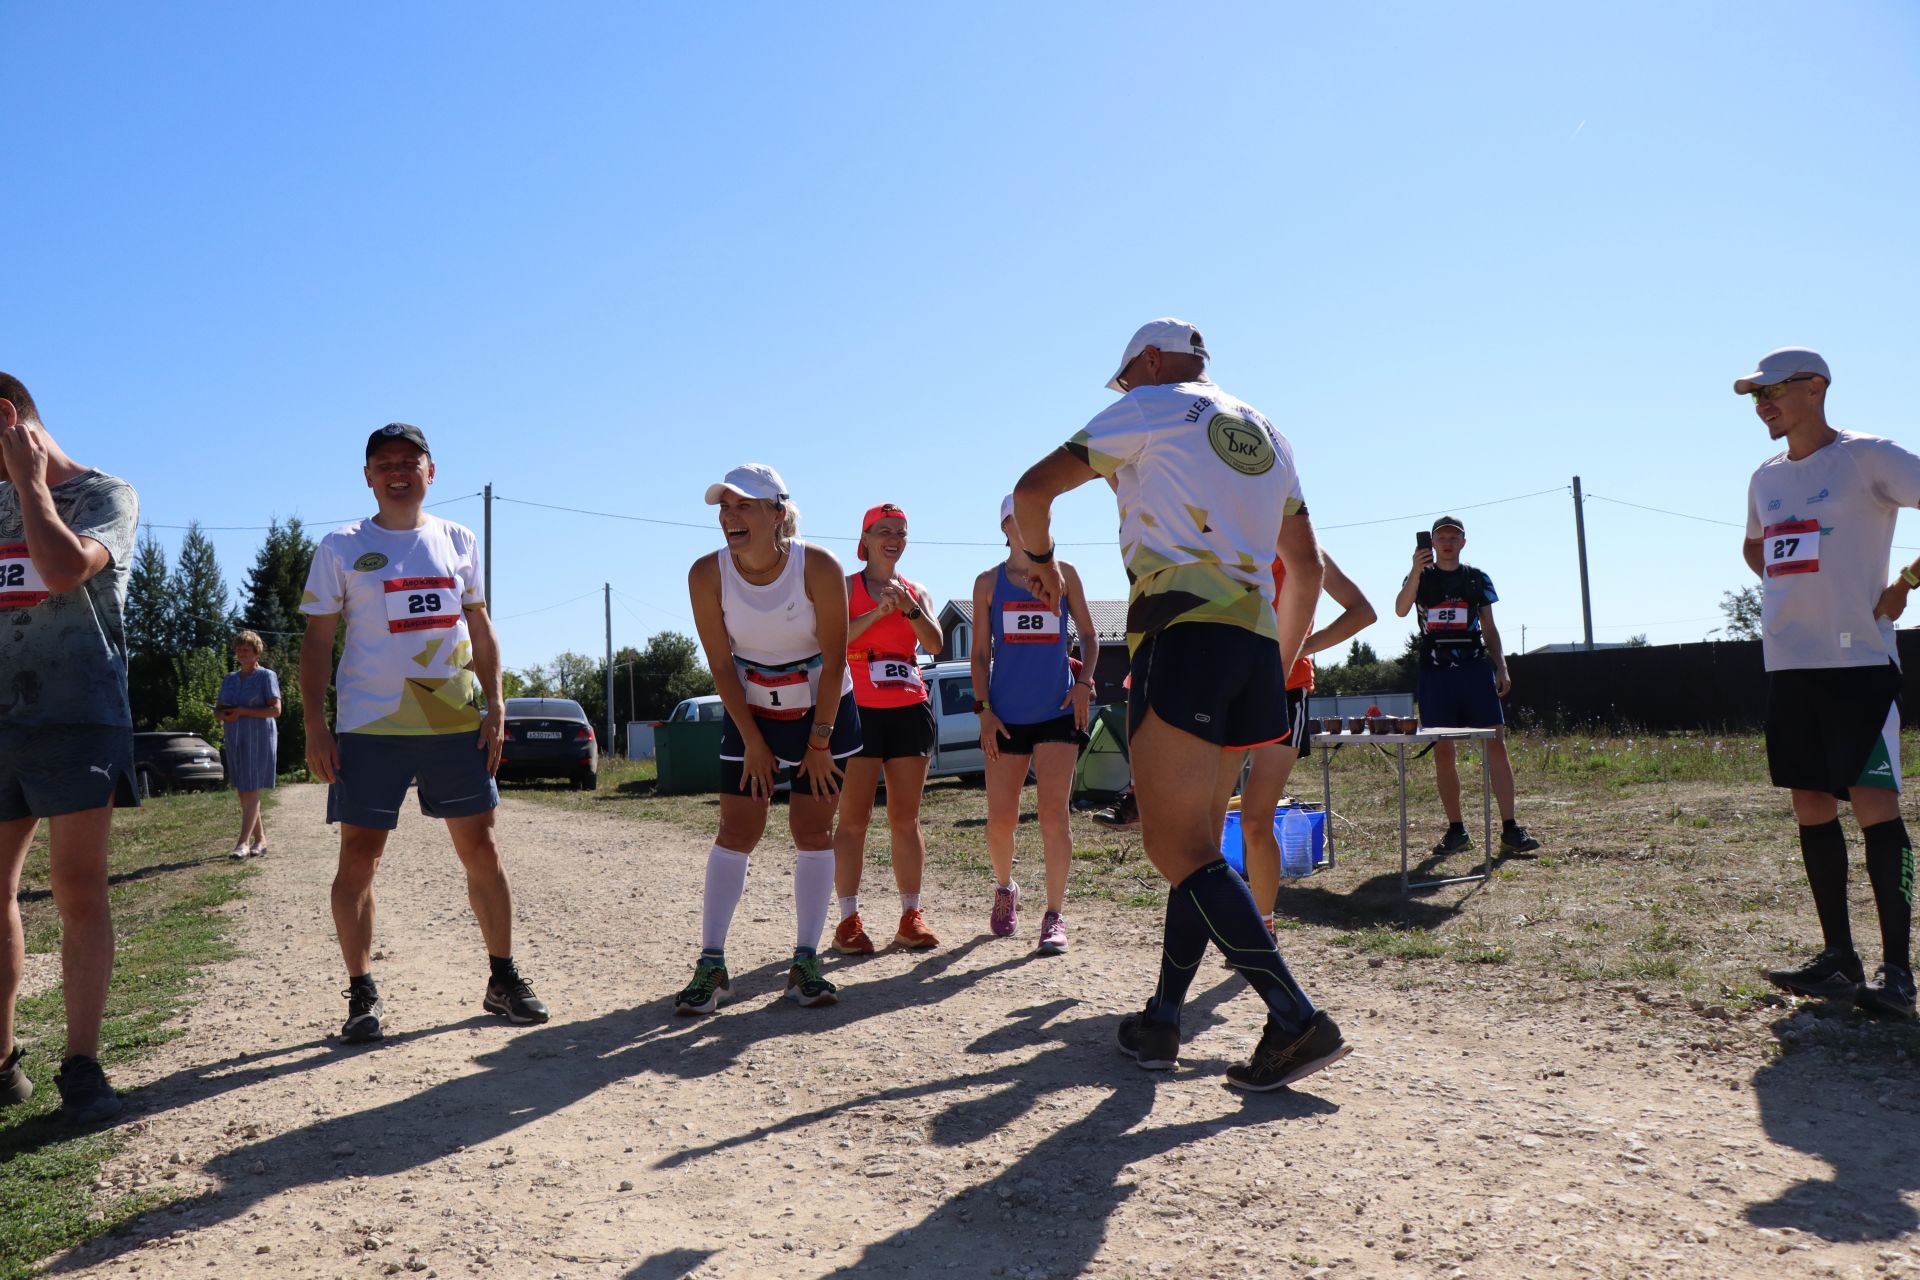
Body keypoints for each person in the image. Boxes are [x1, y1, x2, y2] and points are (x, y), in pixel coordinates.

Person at [1012, 318, 1349, 1090]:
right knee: (1195, 842)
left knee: (1177, 848)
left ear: (1154, 362)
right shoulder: (1267, 431)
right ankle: (1163, 1018)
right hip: (1253, 645)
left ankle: (1296, 1018)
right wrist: (1281, 660)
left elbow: (1033, 490)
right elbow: (1307, 565)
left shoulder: (1152, 407)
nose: (1123, 391)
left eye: (1126, 376)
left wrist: (1036, 561)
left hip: (1180, 633)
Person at [300, 422, 548, 1044]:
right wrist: (314, 725)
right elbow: (318, 641)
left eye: (410, 461)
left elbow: (481, 628)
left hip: (454, 721)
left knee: (481, 851)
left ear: (431, 472)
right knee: (359, 858)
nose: (398, 470)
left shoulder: (457, 539)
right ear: (368, 476)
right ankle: (361, 994)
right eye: (384, 462)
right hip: (369, 725)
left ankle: (503, 977)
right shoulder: (340, 545)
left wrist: (496, 703)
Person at [1738, 348, 1918, 1020]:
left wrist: (1905, 583)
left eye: (1773, 391)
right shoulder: (1765, 476)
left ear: (1815, 388)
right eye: (1755, 396)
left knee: (1875, 807)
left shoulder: (1868, 456)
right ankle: (1838, 957)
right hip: (1789, 667)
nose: (1762, 405)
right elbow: (1756, 544)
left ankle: (1897, 972)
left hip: (1858, 669)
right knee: (1811, 803)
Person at [0, 372, 138, 1122]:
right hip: (1, 724)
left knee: (77, 886)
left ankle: (81, 1067)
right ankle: (2, 1064)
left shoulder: (106, 495)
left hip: (78, 715)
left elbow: (59, 572)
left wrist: (28, 484)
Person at [676, 464, 860, 1014]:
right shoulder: (706, 574)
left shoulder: (819, 566)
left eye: (744, 506)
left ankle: (806, 961)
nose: (730, 517)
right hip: (751, 707)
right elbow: (722, 667)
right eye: (724, 508)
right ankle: (712, 964)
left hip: (822, 709)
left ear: (777, 513)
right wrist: (754, 741)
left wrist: (819, 743)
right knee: (738, 827)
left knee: (812, 828)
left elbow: (834, 662)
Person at [1211, 553, 1376, 933]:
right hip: (1229, 689)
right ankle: (1217, 918)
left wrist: (1298, 648)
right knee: (1210, 817)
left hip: (1285, 692)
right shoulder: (1229, 538)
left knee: (1255, 818)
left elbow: (1362, 612)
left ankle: (1263, 928)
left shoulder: (1307, 550)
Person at [970, 495, 1098, 956]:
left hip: (1058, 711)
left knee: (1053, 814)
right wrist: (983, 707)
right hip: (1005, 717)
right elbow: (981, 654)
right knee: (1001, 820)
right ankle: (1005, 889)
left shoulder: (1066, 574)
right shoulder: (988, 583)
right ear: (1005, 526)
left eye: (1036, 519)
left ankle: (1054, 915)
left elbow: (1088, 634)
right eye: (1019, 520)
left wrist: (1084, 682)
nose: (1028, 527)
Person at [1392, 516, 1542, 857]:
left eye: (1452, 537)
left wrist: (1501, 664)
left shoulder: (1476, 578)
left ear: (1463, 542)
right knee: (1444, 751)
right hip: (1435, 671)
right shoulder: (1420, 577)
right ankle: (1456, 829)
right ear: (1431, 542)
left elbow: (1489, 626)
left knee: (1496, 743)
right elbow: (1401, 610)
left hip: (1474, 669)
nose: (1446, 542)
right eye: (1440, 537)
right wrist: (1415, 571)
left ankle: (1510, 827)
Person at [832, 503, 945, 954]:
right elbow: (833, 641)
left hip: (909, 707)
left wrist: (909, 608)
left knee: (906, 817)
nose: (893, 538)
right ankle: (847, 921)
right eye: (884, 530)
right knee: (854, 819)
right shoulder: (844, 587)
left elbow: (934, 643)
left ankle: (910, 916)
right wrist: (879, 614)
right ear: (866, 539)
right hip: (859, 708)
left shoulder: (916, 590)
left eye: (900, 531)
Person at [218, 630, 281, 859]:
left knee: (251, 787)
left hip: (259, 737)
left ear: (257, 653)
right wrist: (226, 714)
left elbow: (275, 710)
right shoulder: (230, 679)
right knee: (244, 790)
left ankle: (243, 843)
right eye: (239, 649)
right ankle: (260, 840)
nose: (242, 652)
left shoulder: (266, 676)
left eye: (247, 649)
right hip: (235, 738)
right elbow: (219, 711)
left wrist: (243, 711)